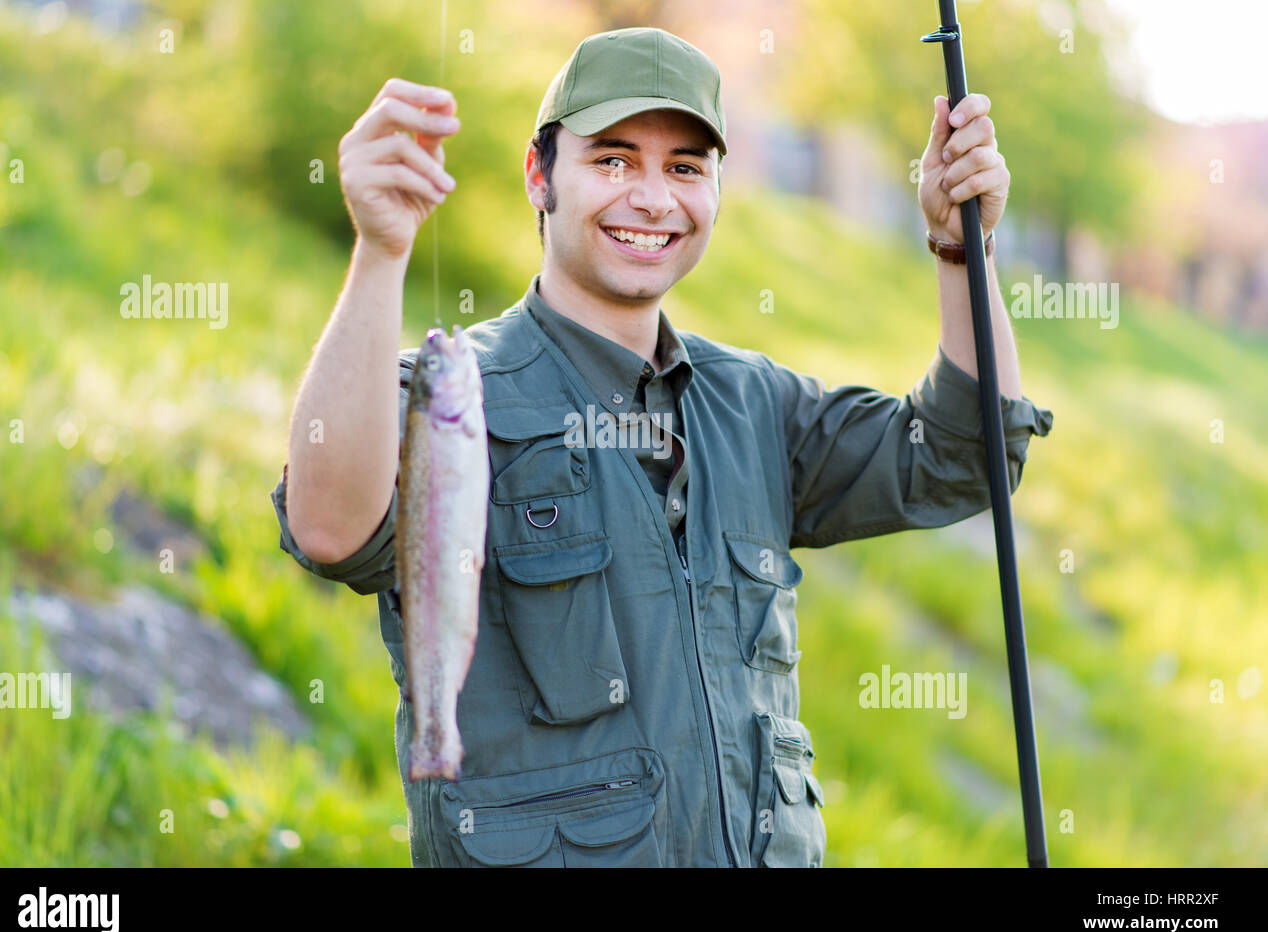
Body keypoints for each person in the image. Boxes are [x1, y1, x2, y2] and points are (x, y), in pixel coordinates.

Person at [270, 26, 1053, 867]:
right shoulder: (451, 399)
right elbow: (331, 528)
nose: (651, 198)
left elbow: (962, 458)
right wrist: (383, 251)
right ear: (540, 177)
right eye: (612, 160)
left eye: (685, 167)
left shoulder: (755, 404)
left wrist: (958, 247)